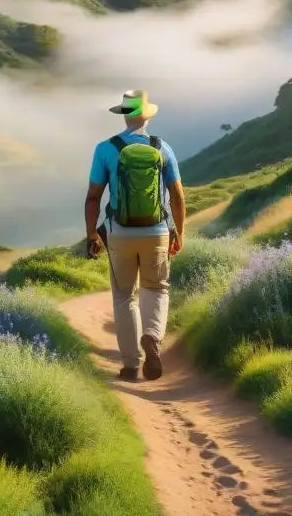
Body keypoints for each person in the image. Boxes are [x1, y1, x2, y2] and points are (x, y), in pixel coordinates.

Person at [84, 89, 185, 381]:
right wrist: (179, 233)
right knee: (157, 288)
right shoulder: (162, 147)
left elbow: (93, 198)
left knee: (124, 296)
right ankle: (152, 337)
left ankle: (130, 365)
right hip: (157, 233)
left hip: (119, 234)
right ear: (147, 117)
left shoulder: (105, 149)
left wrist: (93, 234)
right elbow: (177, 197)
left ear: (125, 116)